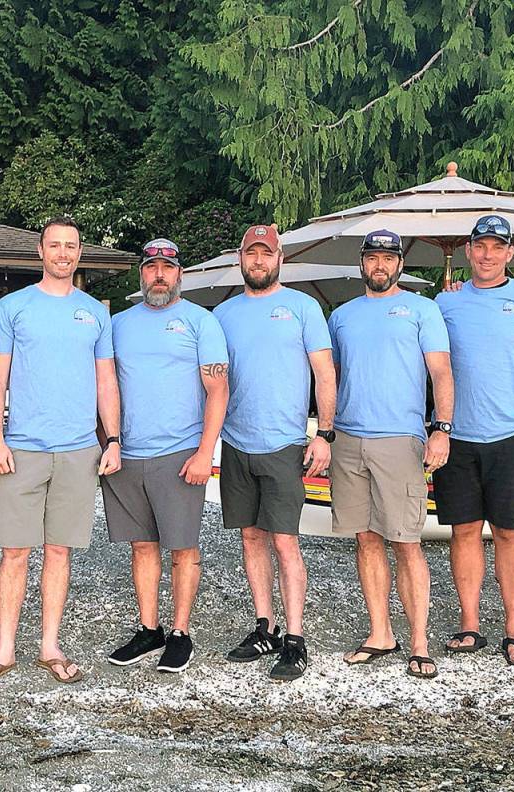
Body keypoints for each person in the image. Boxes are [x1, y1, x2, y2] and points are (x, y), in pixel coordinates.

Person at [0, 216, 121, 685]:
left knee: (59, 551)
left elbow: (105, 380)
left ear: (80, 253)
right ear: (40, 251)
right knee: (15, 551)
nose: (63, 253)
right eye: (55, 245)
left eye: (71, 246)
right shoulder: (13, 308)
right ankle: (4, 649)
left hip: (79, 450)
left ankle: (49, 645)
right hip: (23, 448)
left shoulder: (96, 313)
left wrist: (112, 439)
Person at [434, 215, 514, 666]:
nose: (488, 254)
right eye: (480, 246)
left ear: (510, 253)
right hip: (456, 438)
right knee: (464, 531)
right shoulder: (444, 303)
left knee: (510, 533)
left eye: (497, 247)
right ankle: (470, 624)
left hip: (512, 436)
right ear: (469, 251)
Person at [327, 230, 454, 679]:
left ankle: (419, 642)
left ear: (400, 264)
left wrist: (441, 429)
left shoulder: (423, 309)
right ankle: (381, 632)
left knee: (406, 541)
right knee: (365, 538)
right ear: (361, 263)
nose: (379, 265)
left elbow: (441, 372)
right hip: (348, 439)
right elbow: (332, 378)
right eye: (372, 258)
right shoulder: (341, 317)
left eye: (388, 258)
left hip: (400, 438)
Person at [215, 224, 336, 682]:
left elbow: (324, 374)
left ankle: (296, 638)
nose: (258, 261)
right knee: (250, 536)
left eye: (266, 254)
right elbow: (211, 380)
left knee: (285, 540)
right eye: (251, 254)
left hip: (285, 443)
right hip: (237, 441)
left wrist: (324, 433)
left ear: (280, 258)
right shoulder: (223, 315)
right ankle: (265, 625)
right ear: (240, 260)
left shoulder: (303, 308)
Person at [103, 239, 229, 673]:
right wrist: (108, 440)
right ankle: (149, 628)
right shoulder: (117, 323)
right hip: (127, 452)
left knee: (182, 547)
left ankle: (180, 632)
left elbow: (218, 389)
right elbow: (105, 385)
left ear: (180, 275)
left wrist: (204, 452)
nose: (159, 275)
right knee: (142, 546)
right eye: (152, 267)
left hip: (180, 452)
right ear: (142, 273)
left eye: (167, 268)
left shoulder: (200, 321)